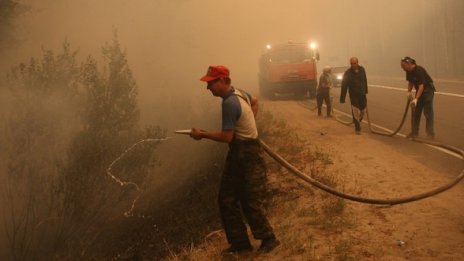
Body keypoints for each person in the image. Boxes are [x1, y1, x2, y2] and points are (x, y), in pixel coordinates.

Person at [190, 65, 280, 254]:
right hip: (242, 152)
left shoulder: (229, 103)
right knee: (227, 199)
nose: (208, 88)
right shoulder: (239, 93)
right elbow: (254, 100)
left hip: (245, 154)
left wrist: (202, 135)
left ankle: (269, 239)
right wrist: (250, 122)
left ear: (222, 81)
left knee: (249, 199)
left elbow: (227, 137)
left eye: (211, 83)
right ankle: (241, 245)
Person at [400, 56, 436, 139]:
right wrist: (409, 92)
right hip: (420, 90)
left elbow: (421, 86)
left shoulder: (419, 70)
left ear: (409, 64)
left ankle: (430, 134)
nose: (402, 68)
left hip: (428, 90)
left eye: (403, 66)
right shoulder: (408, 71)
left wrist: (416, 99)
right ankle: (414, 132)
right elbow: (410, 82)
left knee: (428, 112)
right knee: (416, 112)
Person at [340, 57, 368, 134]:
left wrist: (366, 91)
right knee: (355, 111)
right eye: (352, 64)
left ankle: (358, 121)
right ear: (350, 64)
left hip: (362, 94)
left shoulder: (362, 69)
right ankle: (357, 128)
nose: (354, 65)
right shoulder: (348, 73)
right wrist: (342, 98)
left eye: (355, 63)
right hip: (353, 95)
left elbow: (365, 80)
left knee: (363, 110)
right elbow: (344, 85)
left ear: (357, 62)